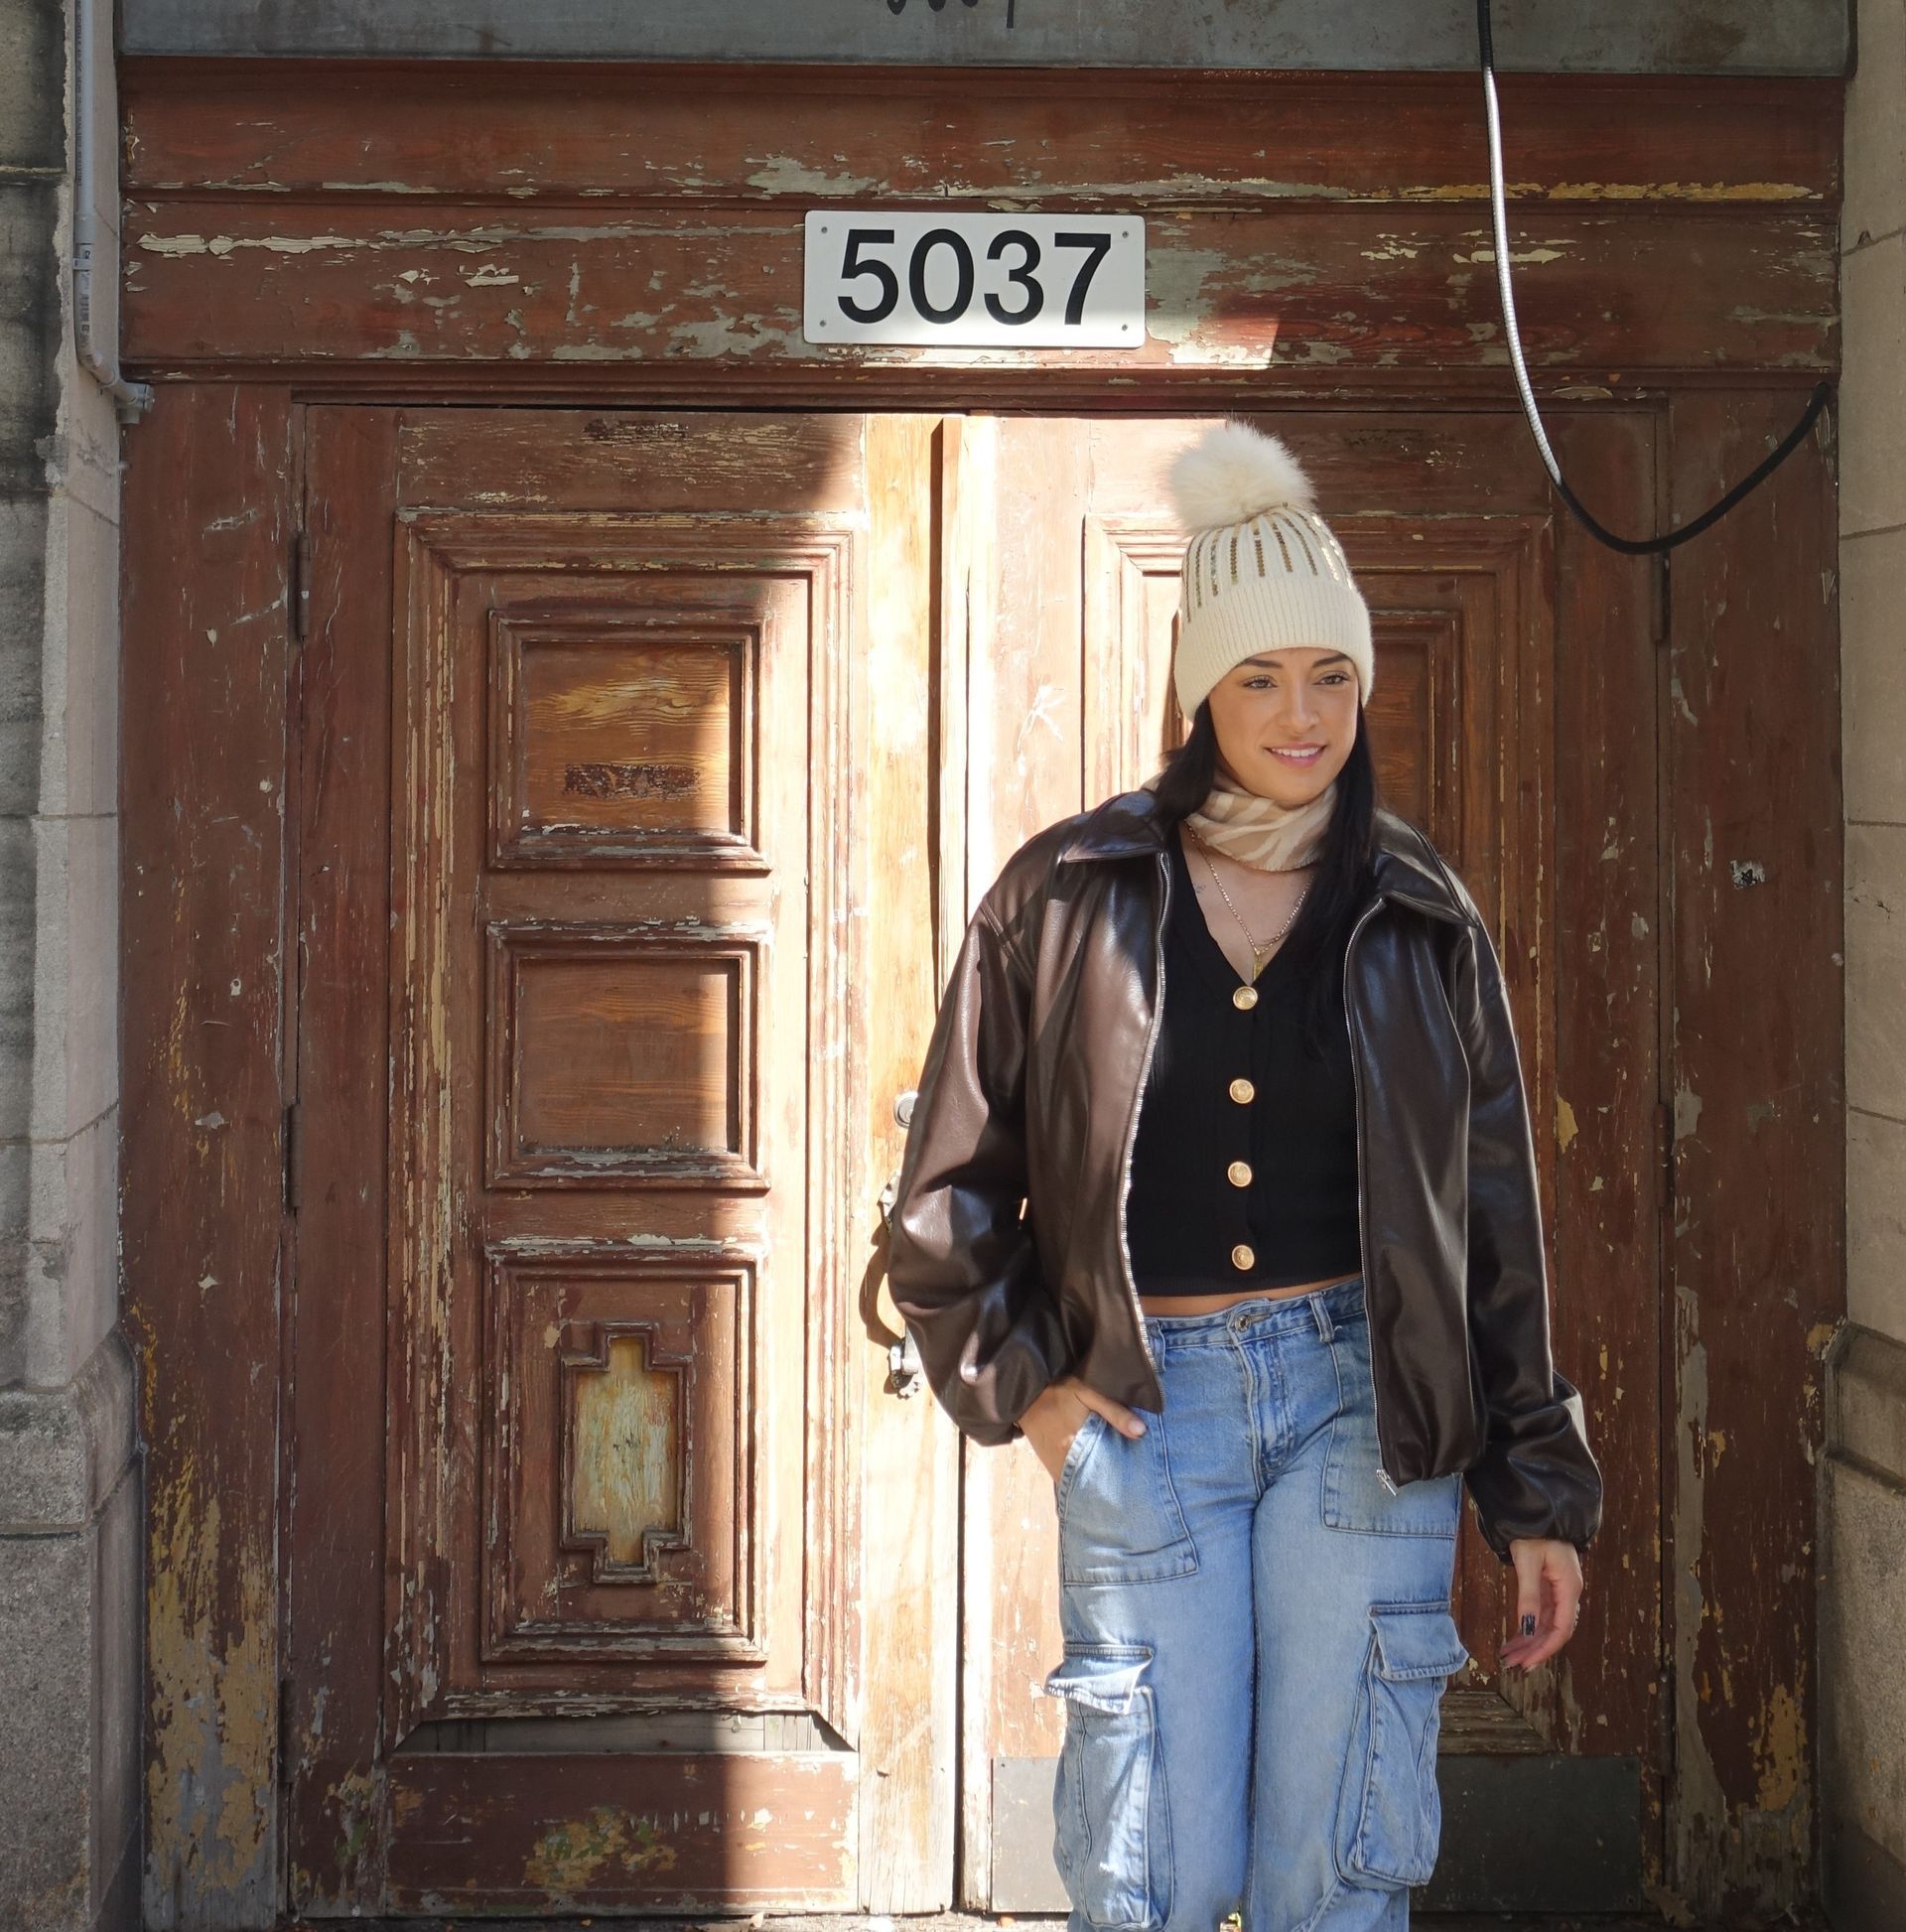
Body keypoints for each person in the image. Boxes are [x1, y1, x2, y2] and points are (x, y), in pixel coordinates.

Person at [884, 419, 1603, 1932]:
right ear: (1200, 688)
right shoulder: (1067, 895)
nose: (1302, 713)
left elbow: (1492, 1224)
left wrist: (1537, 1491)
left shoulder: (1419, 912)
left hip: (1365, 1409)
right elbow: (947, 1189)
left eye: (1332, 674)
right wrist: (1031, 1391)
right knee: (1154, 1869)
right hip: (1152, 1405)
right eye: (1262, 675)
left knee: (1334, 1871)